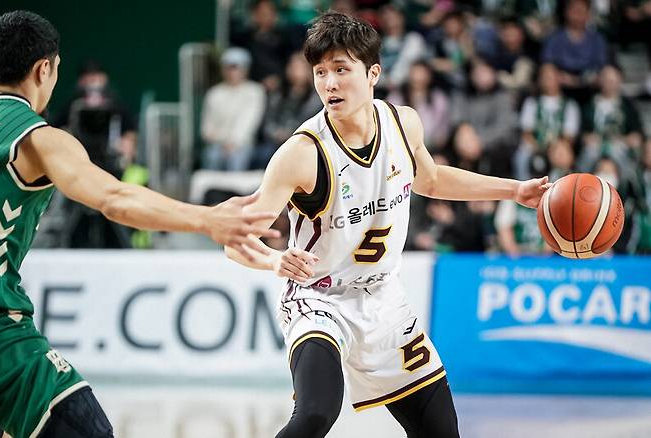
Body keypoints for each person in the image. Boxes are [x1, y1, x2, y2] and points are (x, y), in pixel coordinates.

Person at [224, 12, 550, 438]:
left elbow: (432, 179)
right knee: (316, 414)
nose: (329, 83)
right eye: (320, 72)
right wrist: (274, 260)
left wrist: (514, 190)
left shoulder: (403, 123)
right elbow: (234, 240)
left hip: (383, 300)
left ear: (373, 73)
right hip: (318, 299)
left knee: (441, 431)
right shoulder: (302, 153)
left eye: (341, 69)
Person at [0, 11, 280, 438]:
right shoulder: (38, 138)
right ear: (44, 69)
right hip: (1, 335)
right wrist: (207, 218)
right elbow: (114, 198)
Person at [200, 47, 266, 171]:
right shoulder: (214, 93)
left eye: (236, 67)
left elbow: (248, 122)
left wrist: (233, 142)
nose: (232, 72)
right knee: (212, 156)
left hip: (243, 145)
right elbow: (207, 131)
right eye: (228, 67)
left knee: (236, 158)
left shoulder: (254, 91)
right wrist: (223, 142)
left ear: (245, 69)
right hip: (217, 145)